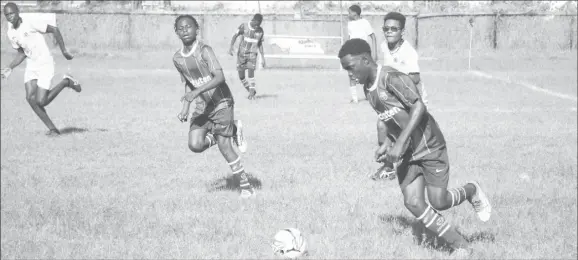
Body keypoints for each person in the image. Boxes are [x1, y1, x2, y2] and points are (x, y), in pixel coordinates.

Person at [338, 39, 492, 255]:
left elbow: (419, 107)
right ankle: (461, 247)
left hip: (430, 146)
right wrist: (388, 143)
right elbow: (390, 119)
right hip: (407, 152)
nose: (349, 74)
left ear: (365, 59)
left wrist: (399, 142)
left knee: (439, 201)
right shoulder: (368, 89)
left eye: (350, 67)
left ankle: (471, 190)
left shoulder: (391, 77)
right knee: (413, 202)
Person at [173, 14, 255, 198]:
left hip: (221, 102)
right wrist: (185, 107)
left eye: (189, 27)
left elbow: (220, 77)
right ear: (176, 32)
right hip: (203, 107)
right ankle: (231, 129)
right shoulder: (177, 58)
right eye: (181, 28)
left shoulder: (205, 51)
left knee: (225, 146)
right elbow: (189, 81)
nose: (185, 30)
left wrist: (195, 92)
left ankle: (246, 188)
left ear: (196, 29)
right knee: (195, 145)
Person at [1, 2, 81, 136]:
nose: (10, 16)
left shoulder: (30, 22)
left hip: (45, 62)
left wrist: (64, 51)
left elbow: (54, 29)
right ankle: (53, 130)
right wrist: (10, 67)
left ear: (18, 11)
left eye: (12, 13)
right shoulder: (11, 33)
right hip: (32, 65)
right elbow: (22, 53)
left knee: (41, 101)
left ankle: (66, 82)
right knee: (30, 98)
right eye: (7, 14)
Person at [381, 12, 428, 107]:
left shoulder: (408, 52)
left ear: (402, 32)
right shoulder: (384, 45)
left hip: (415, 101)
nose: (389, 31)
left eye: (394, 29)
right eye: (386, 29)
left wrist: (392, 81)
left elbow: (415, 78)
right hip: (397, 98)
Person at [228, 13, 266, 100]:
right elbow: (235, 35)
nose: (257, 26)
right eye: (257, 24)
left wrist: (263, 58)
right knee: (241, 77)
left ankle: (251, 95)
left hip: (252, 55)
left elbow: (260, 44)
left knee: (251, 74)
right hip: (242, 55)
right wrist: (231, 47)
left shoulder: (260, 31)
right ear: (254, 20)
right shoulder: (244, 26)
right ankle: (250, 90)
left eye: (259, 24)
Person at [346, 4, 377, 103]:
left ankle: (370, 95)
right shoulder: (349, 24)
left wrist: (375, 53)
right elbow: (350, 38)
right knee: (351, 74)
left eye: (349, 12)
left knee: (367, 75)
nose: (348, 14)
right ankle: (355, 99)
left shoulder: (365, 23)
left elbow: (373, 37)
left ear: (355, 13)